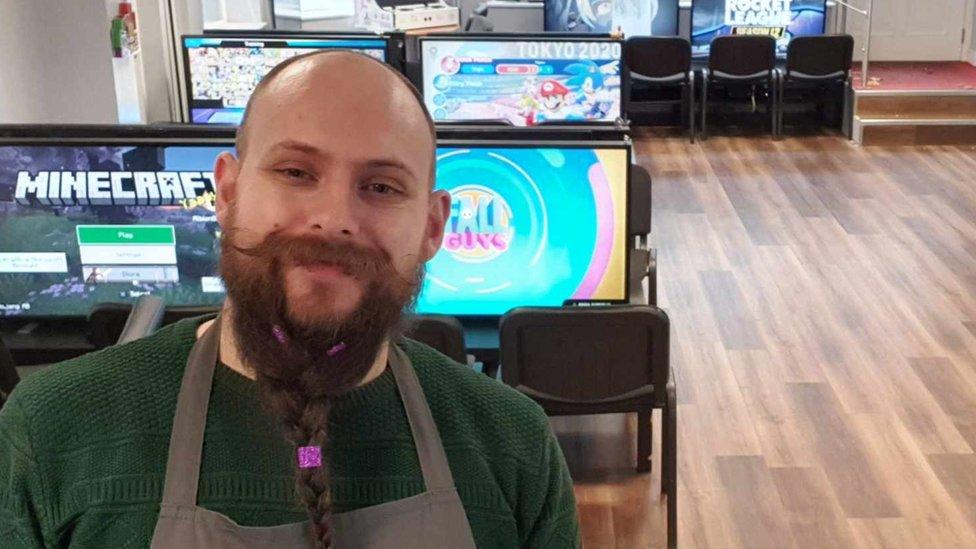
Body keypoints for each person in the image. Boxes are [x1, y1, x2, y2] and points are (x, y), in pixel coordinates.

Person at [0, 51, 581, 548]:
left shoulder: (512, 445)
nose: (333, 220)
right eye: (296, 171)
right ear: (226, 192)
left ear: (432, 228)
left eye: (381, 186)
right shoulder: (52, 431)